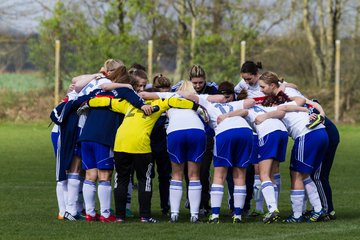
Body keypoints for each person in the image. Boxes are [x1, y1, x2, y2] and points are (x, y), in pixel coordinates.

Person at [86, 84, 206, 223]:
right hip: (140, 145)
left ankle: (119, 217)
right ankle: (145, 216)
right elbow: (175, 101)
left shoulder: (128, 104)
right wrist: (196, 108)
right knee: (145, 180)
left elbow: (106, 101)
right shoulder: (157, 104)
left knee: (121, 179)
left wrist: (88, 103)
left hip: (121, 143)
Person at [77, 66, 151, 222]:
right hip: (103, 137)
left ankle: (90, 213)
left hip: (86, 136)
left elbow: (83, 100)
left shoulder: (98, 92)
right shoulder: (125, 91)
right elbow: (139, 102)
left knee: (90, 175)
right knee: (105, 175)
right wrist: (143, 105)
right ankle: (105, 214)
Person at [178, 81, 255, 223]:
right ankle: (237, 215)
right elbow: (250, 103)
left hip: (225, 133)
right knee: (240, 174)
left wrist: (211, 99)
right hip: (245, 131)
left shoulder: (208, 103)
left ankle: (215, 215)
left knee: (219, 175)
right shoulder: (236, 104)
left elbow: (186, 94)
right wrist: (231, 113)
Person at [258, 71, 329, 223]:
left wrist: (264, 116)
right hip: (321, 134)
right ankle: (318, 209)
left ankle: (298, 215)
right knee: (304, 175)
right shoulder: (286, 101)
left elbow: (285, 107)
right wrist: (312, 111)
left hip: (307, 135)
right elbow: (303, 100)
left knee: (296, 174)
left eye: (263, 87)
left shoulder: (278, 106)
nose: (261, 91)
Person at [141, 79, 207, 223]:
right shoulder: (199, 99)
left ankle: (174, 214)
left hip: (175, 131)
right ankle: (194, 215)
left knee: (176, 174)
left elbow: (144, 94)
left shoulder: (169, 96)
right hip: (196, 131)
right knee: (194, 175)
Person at [219, 97, 289, 223]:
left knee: (263, 174)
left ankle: (273, 210)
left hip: (268, 133)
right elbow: (281, 113)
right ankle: (274, 208)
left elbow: (243, 112)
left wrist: (226, 116)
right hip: (283, 133)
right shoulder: (264, 107)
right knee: (272, 174)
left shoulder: (247, 109)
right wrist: (266, 115)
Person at [282, 86, 340, 220]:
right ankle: (314, 209)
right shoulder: (295, 97)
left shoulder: (291, 97)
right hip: (321, 134)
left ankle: (326, 210)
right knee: (308, 173)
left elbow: (313, 103)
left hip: (326, 136)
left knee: (317, 175)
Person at [172, 64, 218, 215]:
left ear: (205, 80)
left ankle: (204, 204)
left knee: (203, 171)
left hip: (206, 135)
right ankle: (192, 200)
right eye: (195, 83)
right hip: (186, 132)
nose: (198, 86)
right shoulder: (180, 87)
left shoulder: (212, 89)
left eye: (201, 82)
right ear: (189, 80)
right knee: (186, 170)